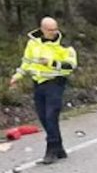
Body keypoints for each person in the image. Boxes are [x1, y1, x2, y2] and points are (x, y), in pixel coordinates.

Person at [9, 17, 78, 165]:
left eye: (55, 29)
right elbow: (27, 62)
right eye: (50, 30)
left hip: (56, 82)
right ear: (42, 29)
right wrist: (18, 76)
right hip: (38, 82)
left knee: (51, 115)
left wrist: (51, 63)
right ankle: (59, 148)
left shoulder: (65, 44)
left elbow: (71, 66)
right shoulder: (33, 43)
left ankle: (51, 149)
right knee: (43, 116)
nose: (54, 32)